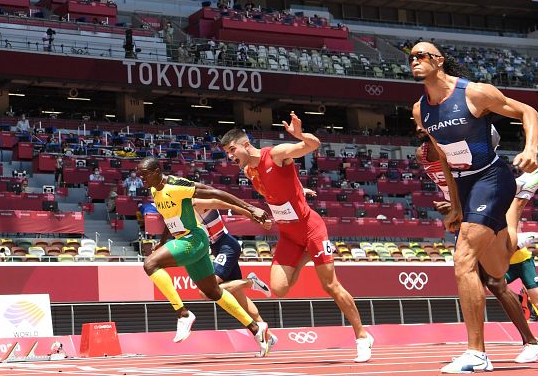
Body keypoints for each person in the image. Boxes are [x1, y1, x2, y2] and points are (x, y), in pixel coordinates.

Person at [409, 40, 538, 373]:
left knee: (463, 260)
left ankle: (476, 353)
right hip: (467, 185)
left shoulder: (474, 93)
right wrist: (455, 204)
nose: (413, 61)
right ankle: (518, 213)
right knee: (497, 272)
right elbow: (444, 158)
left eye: (420, 56)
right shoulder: (420, 109)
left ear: (438, 60)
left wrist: (531, 148)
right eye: (410, 58)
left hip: (492, 176)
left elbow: (527, 111)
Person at [220, 113, 374, 363]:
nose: (229, 156)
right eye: (226, 152)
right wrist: (299, 190)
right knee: (279, 289)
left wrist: (301, 136)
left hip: (311, 229)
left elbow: (313, 146)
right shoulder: (249, 170)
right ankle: (305, 256)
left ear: (245, 144)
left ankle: (362, 336)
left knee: (330, 286)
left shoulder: (277, 154)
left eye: (231, 150)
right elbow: (278, 188)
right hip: (289, 235)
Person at [416, 125, 538, 363]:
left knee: (493, 280)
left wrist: (455, 206)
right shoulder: (427, 152)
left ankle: (494, 348)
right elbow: (454, 181)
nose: (418, 124)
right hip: (467, 207)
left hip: (479, 202)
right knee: (494, 281)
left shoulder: (457, 147)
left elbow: (467, 178)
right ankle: (501, 346)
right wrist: (453, 206)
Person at [137, 157, 272, 355]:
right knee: (213, 292)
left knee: (150, 264)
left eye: (145, 174)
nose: (141, 179)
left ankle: (183, 314)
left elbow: (216, 193)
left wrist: (250, 208)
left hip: (194, 239)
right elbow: (170, 218)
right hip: (186, 241)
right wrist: (164, 241)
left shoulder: (176, 186)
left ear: (157, 171)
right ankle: (256, 328)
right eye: (139, 175)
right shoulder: (154, 190)